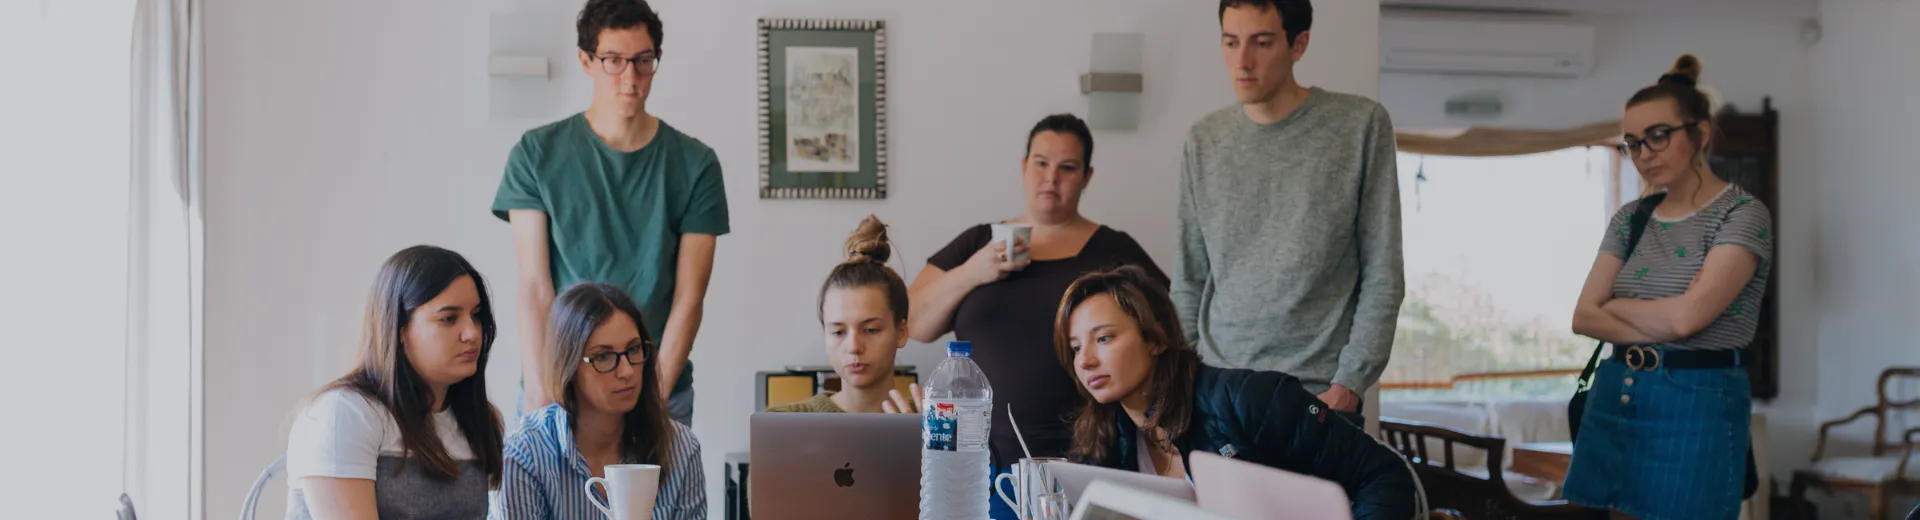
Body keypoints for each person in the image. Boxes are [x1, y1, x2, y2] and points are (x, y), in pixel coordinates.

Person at [909, 114, 1167, 519]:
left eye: (1068, 168)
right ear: (1023, 166)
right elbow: (913, 323)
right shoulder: (979, 243)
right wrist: (973, 272)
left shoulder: (1114, 249)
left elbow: (1166, 334)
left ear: (1087, 176)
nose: (1051, 178)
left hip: (1089, 462)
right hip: (976, 467)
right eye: (1041, 163)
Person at [492, 0, 728, 425]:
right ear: (586, 61)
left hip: (658, 386)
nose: (630, 78)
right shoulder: (536, 154)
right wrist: (542, 394)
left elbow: (689, 298)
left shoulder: (696, 165)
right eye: (614, 61)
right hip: (562, 387)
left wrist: (652, 398)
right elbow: (535, 287)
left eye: (643, 61)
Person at [1172, 0, 1403, 422]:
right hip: (1218, 392)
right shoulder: (1204, 140)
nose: (1242, 61)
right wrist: (1186, 379)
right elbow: (1189, 278)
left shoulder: (1359, 126)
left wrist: (1349, 384)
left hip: (1318, 396)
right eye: (1230, 42)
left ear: (1299, 45)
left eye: (1261, 43)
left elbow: (1383, 272)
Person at [1565, 55, 1772, 520]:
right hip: (1615, 390)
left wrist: (1617, 305)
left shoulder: (1742, 214)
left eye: (1659, 135)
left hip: (1697, 399)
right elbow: (1583, 316)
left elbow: (1685, 321)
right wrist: (1670, 310)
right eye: (1633, 143)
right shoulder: (1630, 218)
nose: (1644, 153)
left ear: (1700, 133)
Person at [1054, 266, 1418, 520]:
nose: (1084, 361)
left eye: (1104, 338)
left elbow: (1384, 475)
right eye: (1075, 348)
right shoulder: (1104, 440)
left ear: (1156, 339)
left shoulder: (1251, 400)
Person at [285, 246, 506, 519]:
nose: (472, 333)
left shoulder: (478, 419)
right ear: (400, 329)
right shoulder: (344, 413)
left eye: (476, 315)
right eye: (448, 319)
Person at [492, 283, 705, 520]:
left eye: (634, 349)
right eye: (603, 356)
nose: (627, 371)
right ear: (569, 366)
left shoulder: (681, 449)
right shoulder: (524, 455)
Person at [769, 215, 922, 414]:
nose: (854, 347)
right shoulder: (782, 422)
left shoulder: (936, 422)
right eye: (838, 332)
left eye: (870, 330)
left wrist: (921, 435)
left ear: (901, 332)